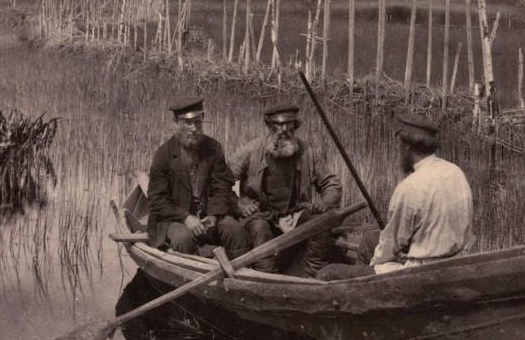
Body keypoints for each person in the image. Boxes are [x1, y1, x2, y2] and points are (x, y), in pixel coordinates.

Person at [317, 115, 474, 281]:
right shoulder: (455, 172)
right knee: (368, 241)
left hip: (420, 272)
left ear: (406, 147)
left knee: (328, 272)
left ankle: (364, 295)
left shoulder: (410, 187)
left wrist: (371, 270)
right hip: (454, 260)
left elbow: (390, 245)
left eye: (399, 145)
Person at [228, 102, 341, 276]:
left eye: (289, 124)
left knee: (322, 221)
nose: (283, 130)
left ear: (296, 125)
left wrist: (325, 203)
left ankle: (312, 277)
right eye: (278, 124)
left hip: (295, 214)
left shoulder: (307, 152)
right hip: (260, 214)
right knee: (259, 228)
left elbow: (331, 184)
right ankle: (266, 279)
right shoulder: (250, 151)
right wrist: (239, 204)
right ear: (268, 126)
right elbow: (221, 182)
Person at [147, 97, 248, 259]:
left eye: (198, 122)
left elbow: (222, 187)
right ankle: (192, 274)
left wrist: (214, 215)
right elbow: (157, 201)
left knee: (234, 230)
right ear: (175, 122)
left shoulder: (213, 148)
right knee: (183, 239)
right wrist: (186, 217)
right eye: (188, 123)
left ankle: (240, 275)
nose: (194, 128)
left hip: (208, 214)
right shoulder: (163, 155)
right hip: (174, 219)